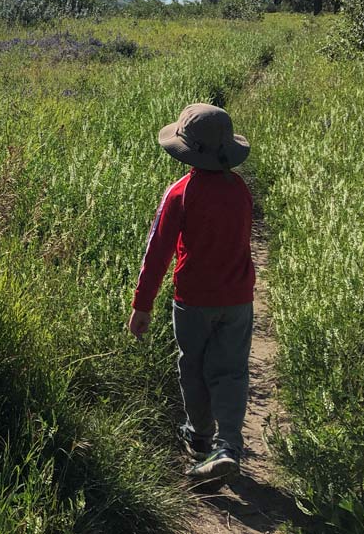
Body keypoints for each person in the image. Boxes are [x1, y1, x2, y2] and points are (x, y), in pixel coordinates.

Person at [127, 103, 255, 484]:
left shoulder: (180, 193)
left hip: (193, 300)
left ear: (186, 150)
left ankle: (200, 438)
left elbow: (158, 251)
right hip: (238, 299)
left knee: (194, 368)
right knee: (231, 371)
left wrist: (142, 304)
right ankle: (228, 445)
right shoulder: (240, 191)